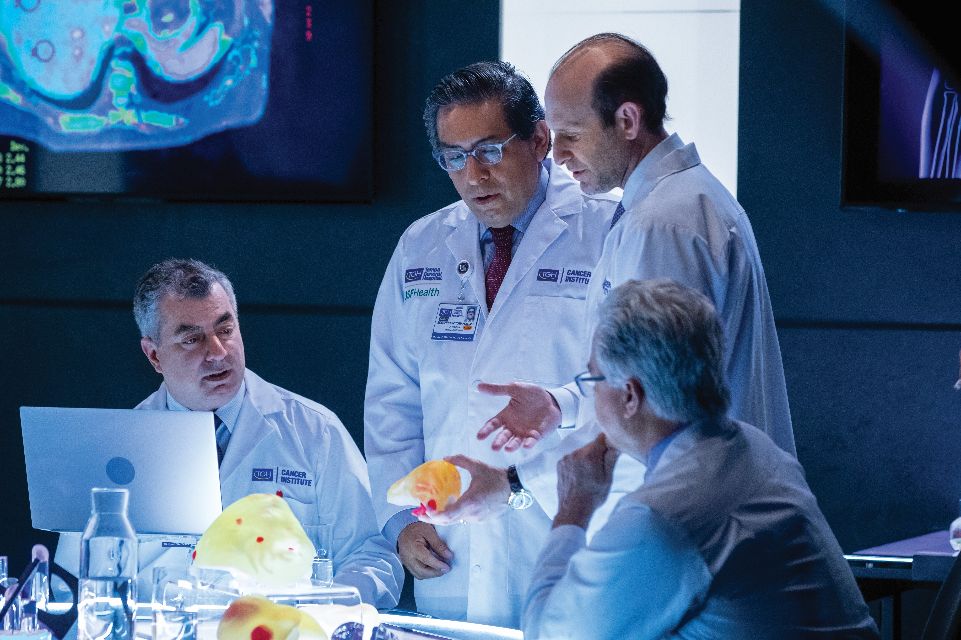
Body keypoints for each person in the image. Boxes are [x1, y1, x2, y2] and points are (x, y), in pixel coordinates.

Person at [442, 33, 795, 525]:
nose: (557, 154)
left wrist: (516, 483)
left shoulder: (664, 223)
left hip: (689, 517)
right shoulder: (676, 204)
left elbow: (653, 406)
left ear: (627, 120)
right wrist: (560, 403)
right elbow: (639, 381)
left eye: (570, 133)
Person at [364, 61, 616, 627]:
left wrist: (523, 487)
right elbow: (392, 399)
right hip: (450, 554)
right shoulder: (421, 246)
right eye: (454, 157)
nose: (473, 175)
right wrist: (400, 521)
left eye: (491, 150)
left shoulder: (607, 232)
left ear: (541, 140)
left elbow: (621, 399)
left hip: (565, 536)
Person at [523, 279, 878, 639]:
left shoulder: (664, 516)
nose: (593, 396)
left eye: (593, 380)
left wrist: (574, 507)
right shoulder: (756, 449)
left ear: (630, 395)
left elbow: (552, 633)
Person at [55, 259, 403, 609]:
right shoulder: (115, 450)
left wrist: (320, 613)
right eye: (192, 339)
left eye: (225, 330)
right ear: (154, 355)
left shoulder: (315, 432)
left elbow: (374, 557)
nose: (217, 353)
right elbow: (73, 586)